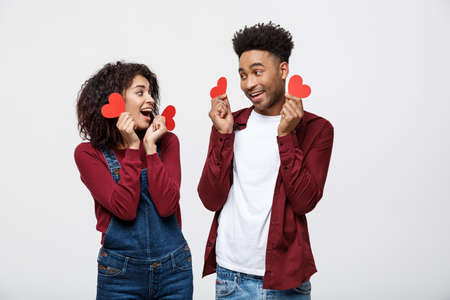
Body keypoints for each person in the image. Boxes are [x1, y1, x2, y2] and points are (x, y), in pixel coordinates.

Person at [198, 22, 334, 299]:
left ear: (283, 70)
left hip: (286, 280)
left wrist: (286, 136)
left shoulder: (316, 130)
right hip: (230, 276)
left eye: (257, 72)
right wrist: (223, 135)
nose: (249, 84)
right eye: (243, 74)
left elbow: (304, 201)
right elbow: (210, 198)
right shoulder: (230, 124)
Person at [74, 61, 193, 299]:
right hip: (120, 275)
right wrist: (131, 147)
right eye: (140, 92)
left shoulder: (167, 143)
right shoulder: (88, 154)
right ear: (114, 101)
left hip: (174, 270)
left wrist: (150, 149)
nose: (150, 99)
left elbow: (167, 205)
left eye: (150, 92)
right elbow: (125, 209)